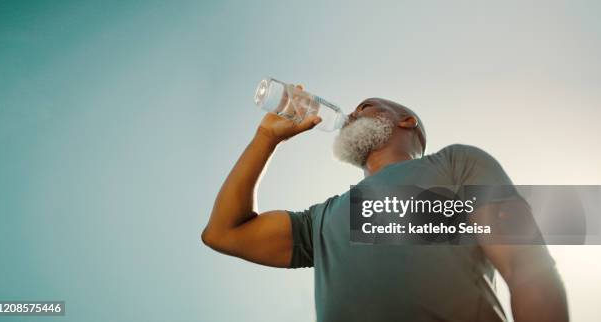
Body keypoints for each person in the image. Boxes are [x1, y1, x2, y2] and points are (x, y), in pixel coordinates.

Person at [201, 89, 568, 322]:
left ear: (406, 121)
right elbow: (225, 233)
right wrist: (265, 138)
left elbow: (526, 267)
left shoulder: (455, 164)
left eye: (367, 105)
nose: (353, 112)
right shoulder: (321, 219)